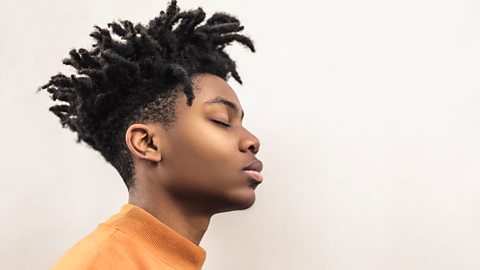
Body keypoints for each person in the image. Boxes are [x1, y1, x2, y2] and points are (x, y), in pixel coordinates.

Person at [39, 1, 262, 269]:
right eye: (222, 121)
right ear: (147, 143)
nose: (252, 141)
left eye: (241, 123)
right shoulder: (101, 263)